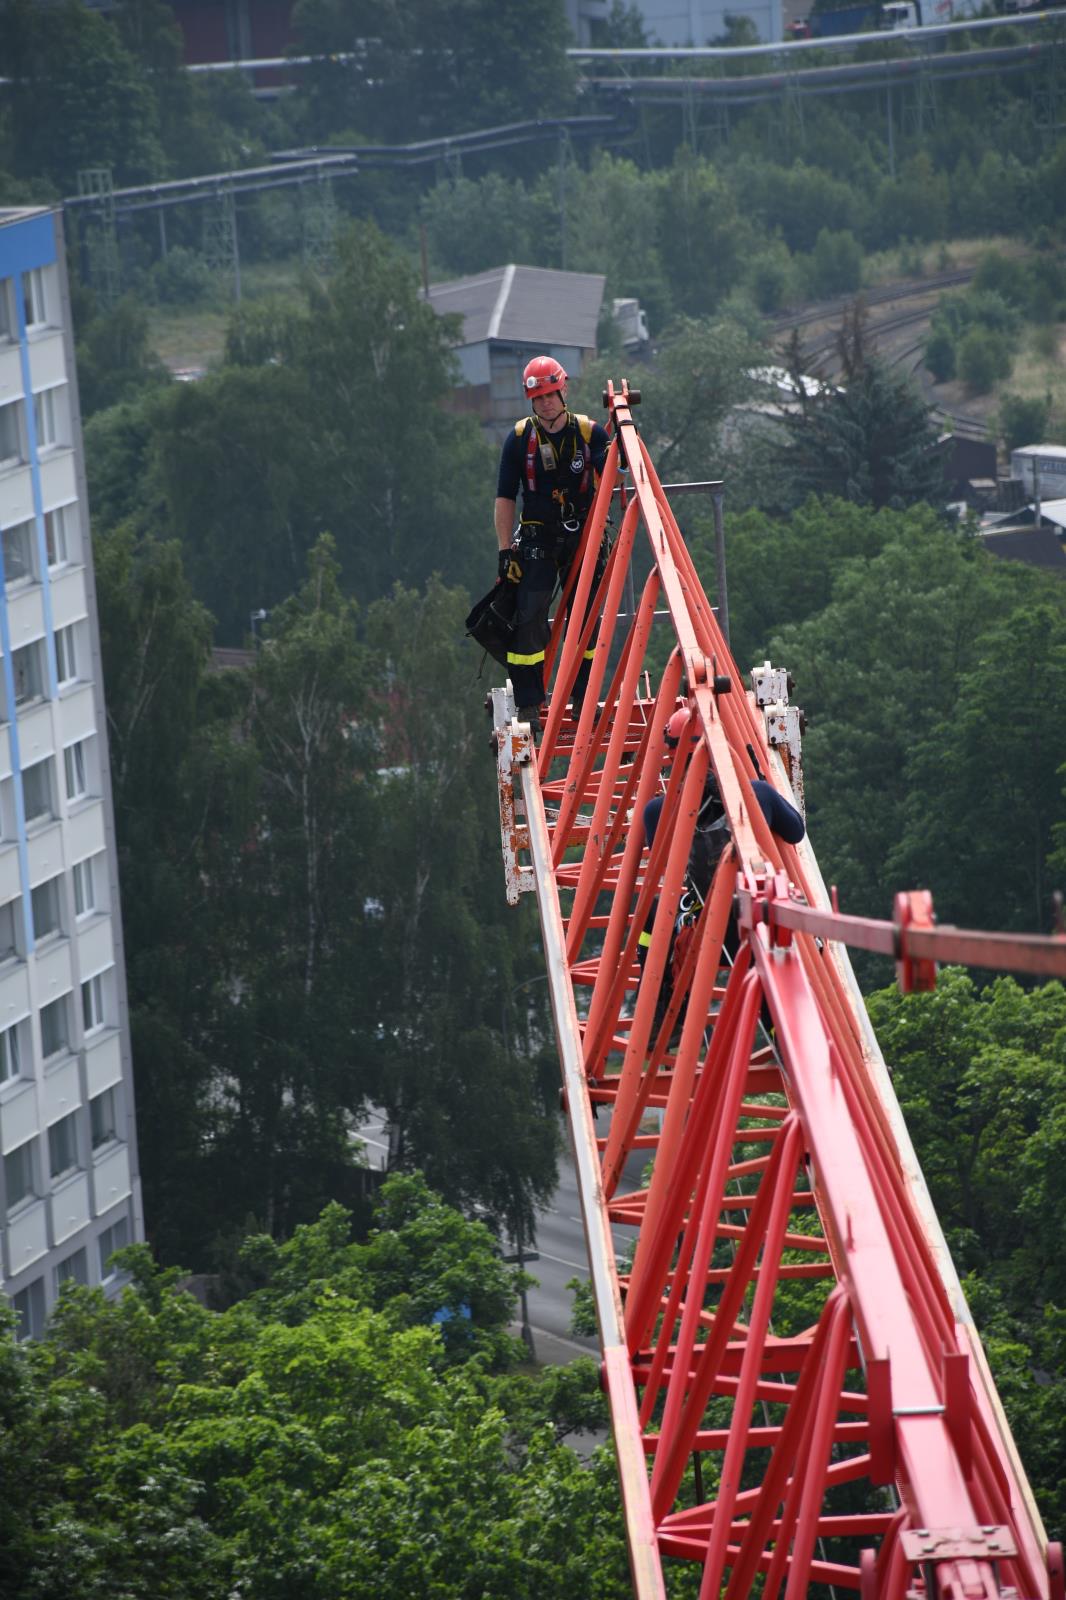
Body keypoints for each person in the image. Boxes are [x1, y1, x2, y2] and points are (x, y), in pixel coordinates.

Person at [494, 356, 610, 735]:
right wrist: (504, 550)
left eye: (550, 395)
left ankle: (583, 696)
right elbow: (505, 497)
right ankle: (530, 703)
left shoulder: (590, 434)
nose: (545, 403)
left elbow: (612, 470)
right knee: (528, 619)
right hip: (537, 541)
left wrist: (622, 451)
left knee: (586, 621)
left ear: (564, 391)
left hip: (582, 540)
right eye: (538, 397)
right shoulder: (518, 440)